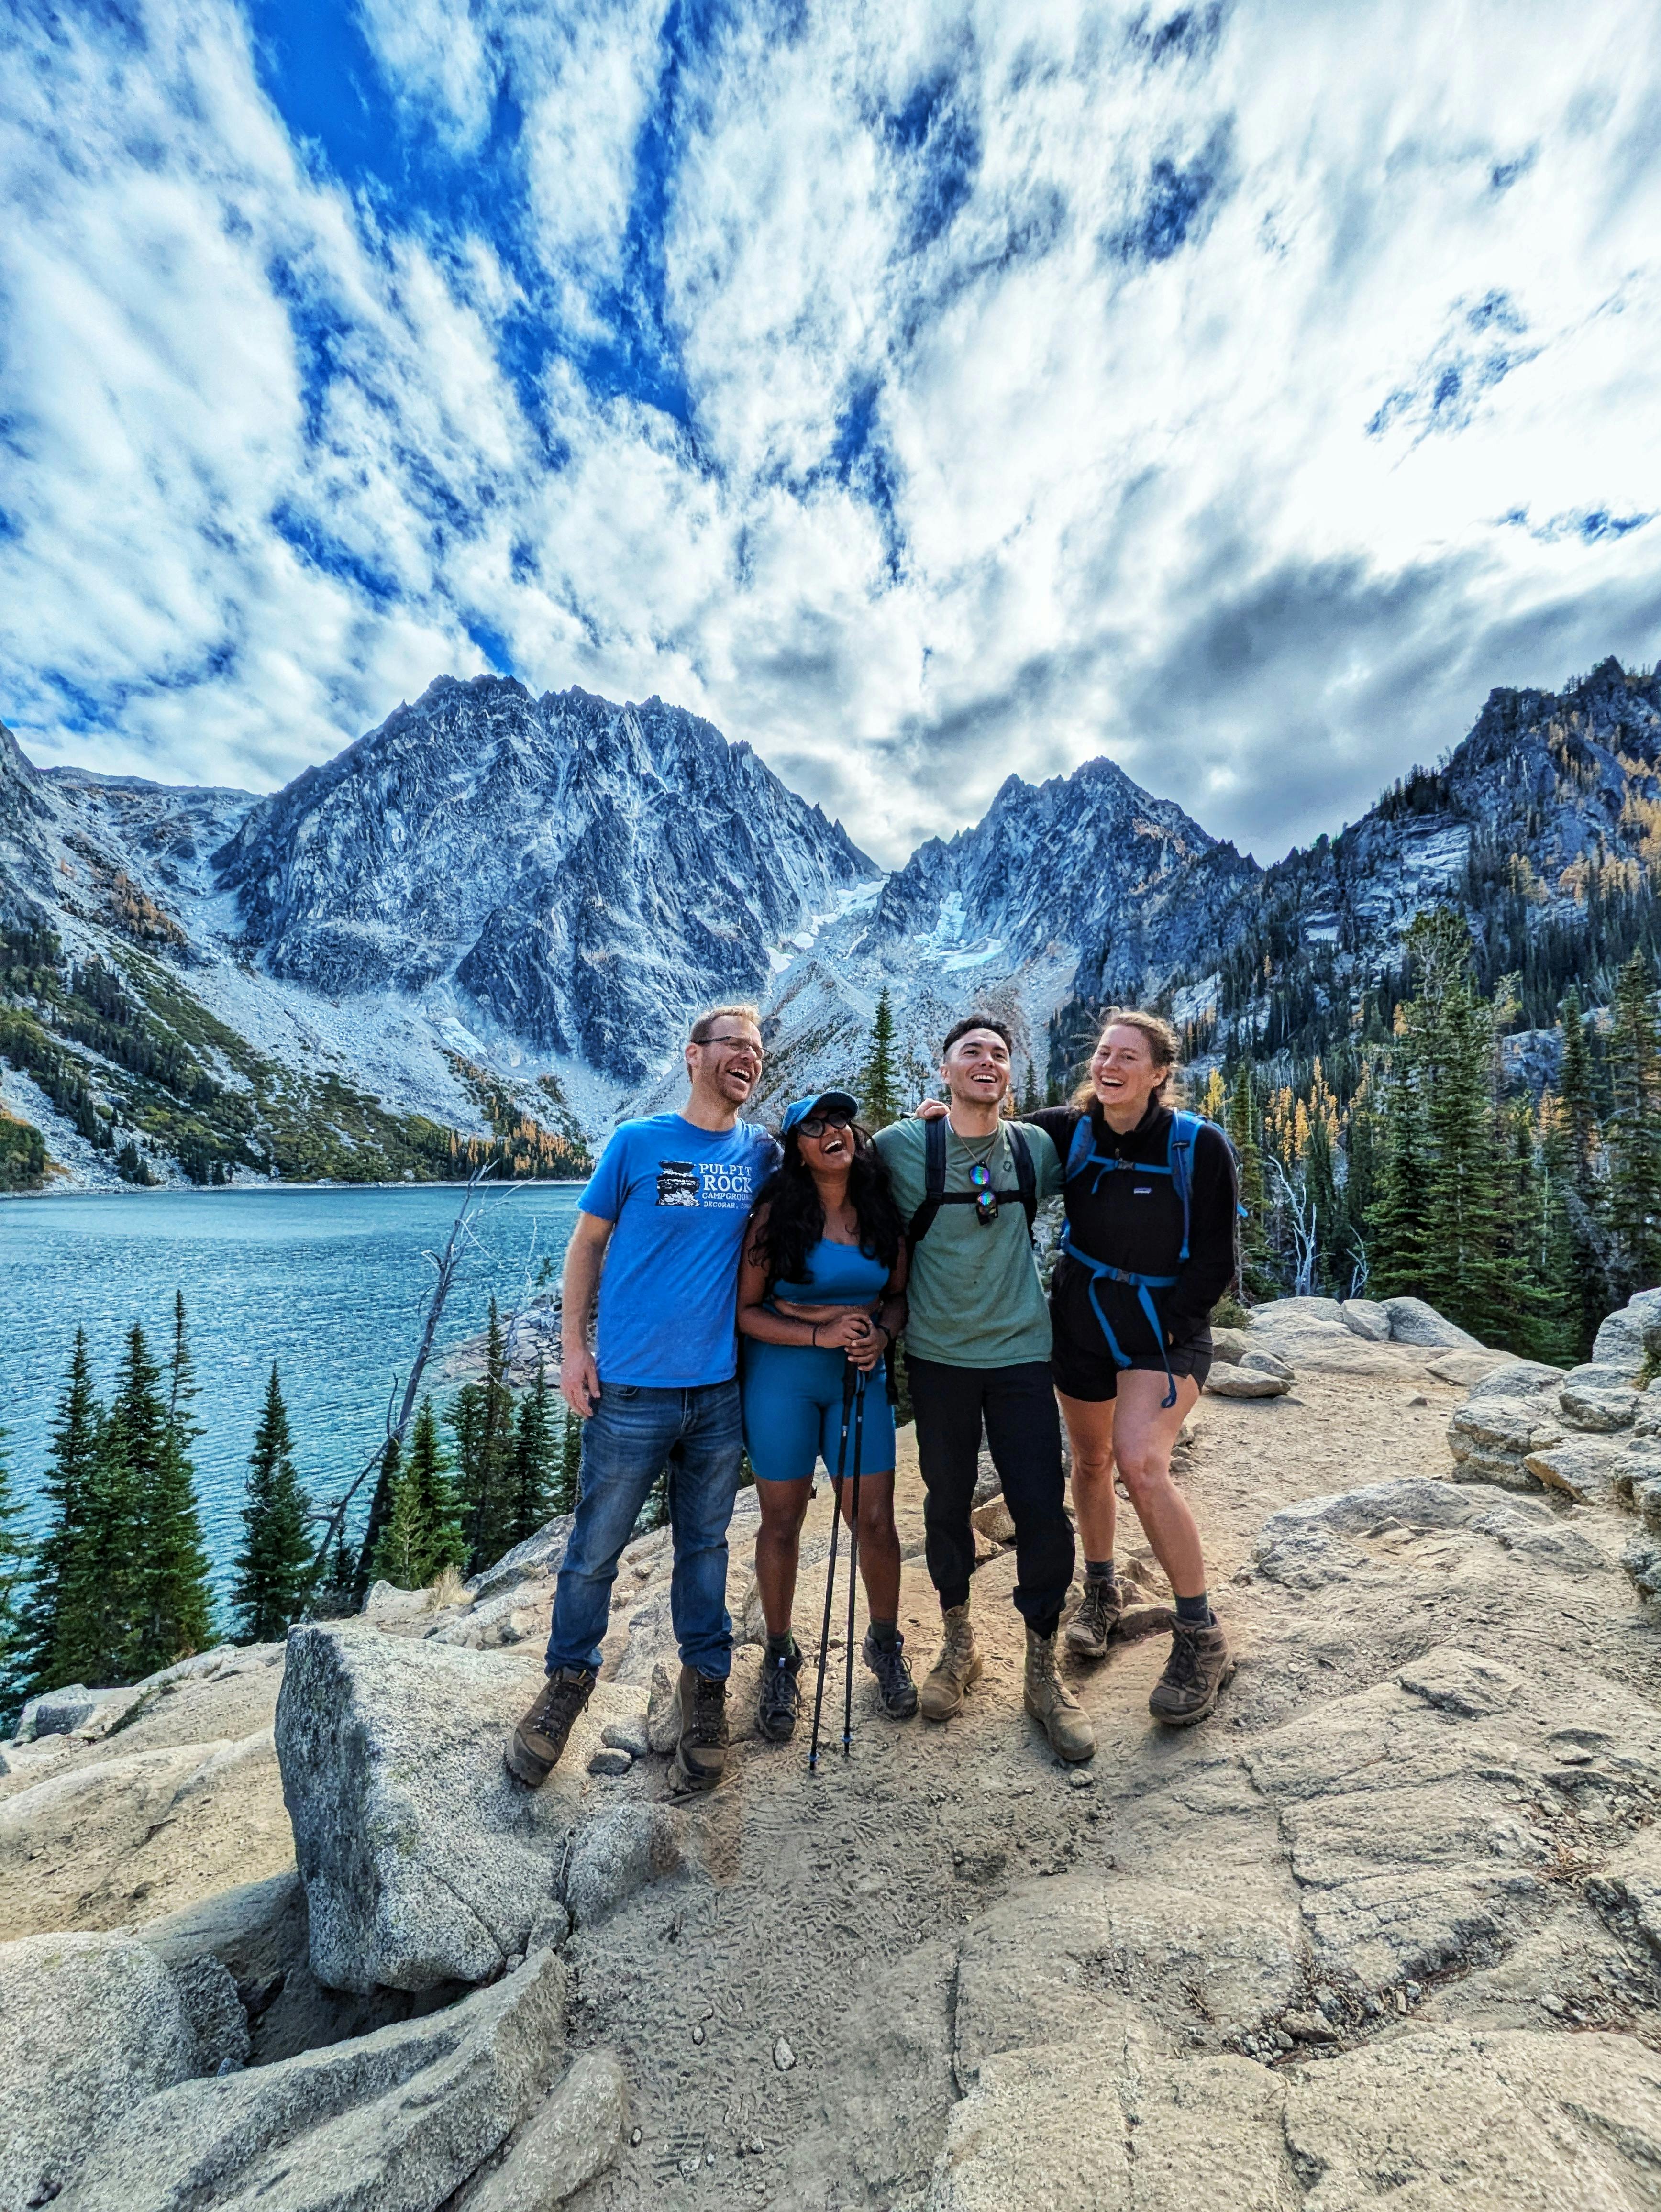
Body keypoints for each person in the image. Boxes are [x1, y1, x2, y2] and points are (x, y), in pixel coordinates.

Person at [506, 1004, 779, 1795]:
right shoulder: (636, 1143)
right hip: (629, 1392)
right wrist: (572, 1351)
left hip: (718, 1393)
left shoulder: (760, 1153)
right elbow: (587, 1243)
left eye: (758, 1051)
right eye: (735, 1046)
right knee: (595, 1549)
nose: (750, 1060)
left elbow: (839, 1157)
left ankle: (705, 1690)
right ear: (694, 1056)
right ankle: (566, 1685)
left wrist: (933, 1120)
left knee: (704, 1548)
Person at [875, 1017, 1093, 1764]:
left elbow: (1112, 1143)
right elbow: (829, 1173)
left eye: (1000, 1055)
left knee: (1040, 1505)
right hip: (938, 1360)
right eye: (973, 1052)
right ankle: (958, 1644)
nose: (988, 1062)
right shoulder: (904, 1146)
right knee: (945, 1503)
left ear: (1009, 1076)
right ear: (944, 1071)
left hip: (1023, 1357)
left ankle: (1042, 1667)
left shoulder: (1033, 1148)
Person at [1025, 1009, 1238, 1725]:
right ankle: (1103, 1588)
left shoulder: (1198, 1146)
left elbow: (1216, 1259)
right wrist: (940, 1116)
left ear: (1159, 1074)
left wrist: (1171, 1326)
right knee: (1088, 1463)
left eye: (1126, 1057)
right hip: (1082, 1324)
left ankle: (1200, 1632)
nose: (1108, 1066)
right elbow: (987, 1143)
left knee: (1140, 1461)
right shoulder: (1068, 1129)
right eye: (1102, 1054)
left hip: (1161, 1334)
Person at [736, 1090, 914, 1741]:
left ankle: (885, 1645)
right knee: (781, 1523)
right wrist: (817, 1332)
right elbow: (745, 1312)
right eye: (813, 1126)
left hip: (860, 1379)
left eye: (840, 1119)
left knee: (874, 1521)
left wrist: (883, 1336)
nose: (832, 1130)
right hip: (782, 1382)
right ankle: (781, 1654)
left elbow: (897, 1298)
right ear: (797, 1151)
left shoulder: (880, 1213)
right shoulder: (774, 1218)